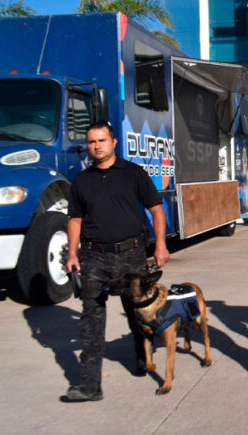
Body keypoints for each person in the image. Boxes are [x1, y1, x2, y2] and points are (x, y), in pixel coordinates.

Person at [62, 121, 170, 402]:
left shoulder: (134, 174)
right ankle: (89, 384)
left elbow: (156, 210)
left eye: (102, 140)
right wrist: (72, 254)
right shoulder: (81, 181)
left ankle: (139, 353)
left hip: (130, 253)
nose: (96, 146)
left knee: (137, 312)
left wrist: (160, 244)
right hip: (93, 256)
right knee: (91, 319)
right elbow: (74, 220)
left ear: (113, 142)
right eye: (91, 142)